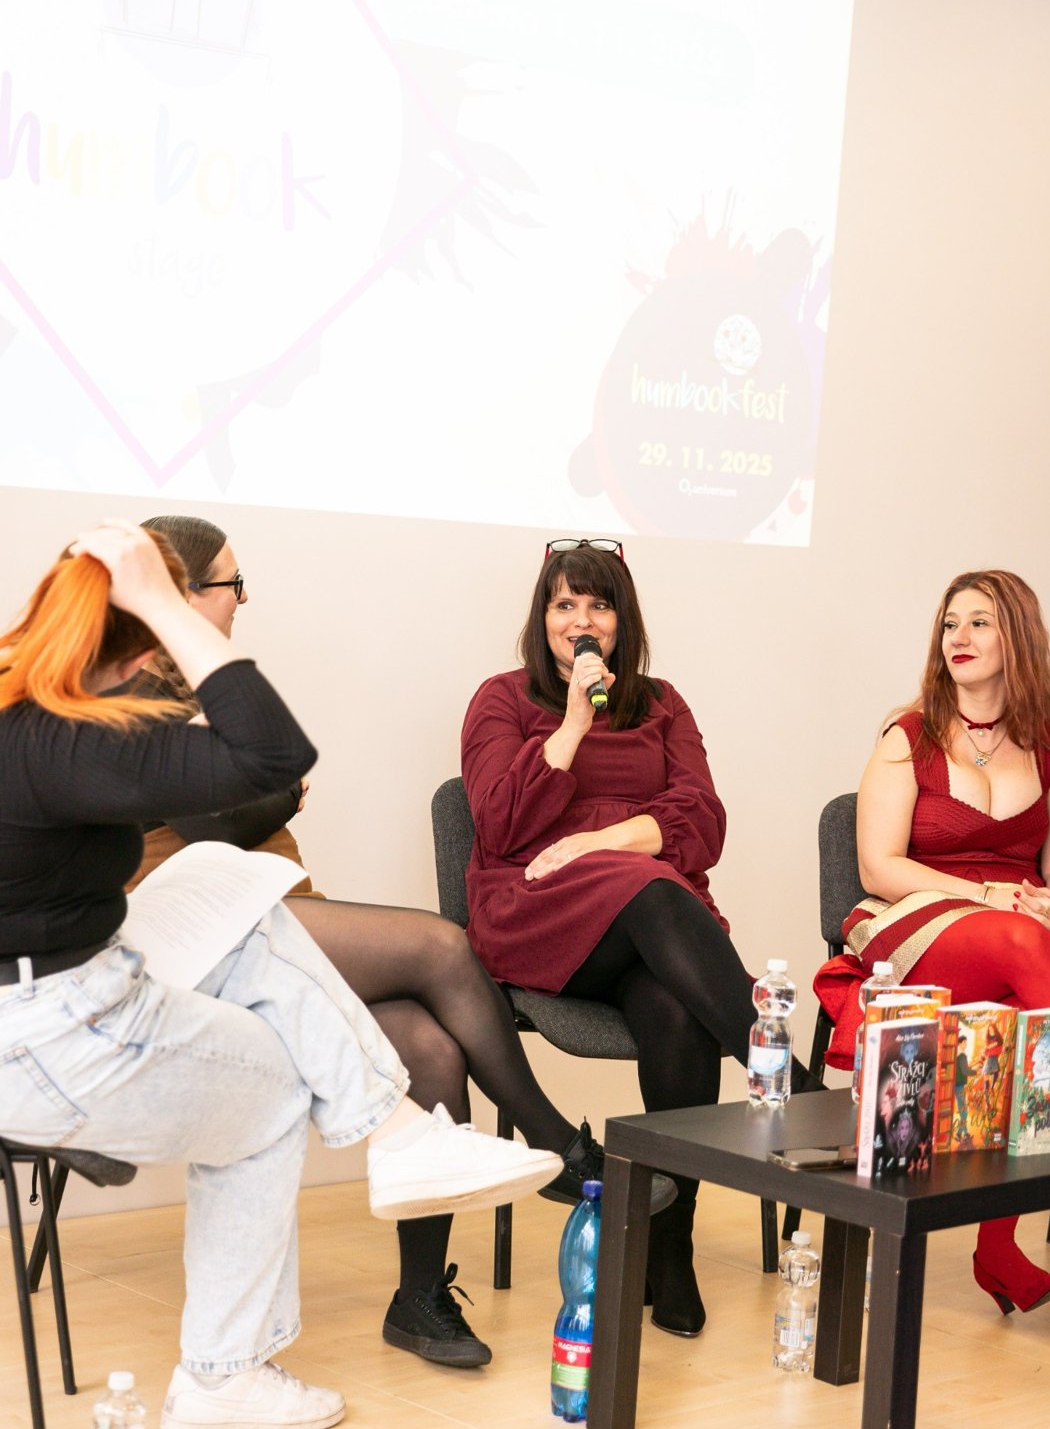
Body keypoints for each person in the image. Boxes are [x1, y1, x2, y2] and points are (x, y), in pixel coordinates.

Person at [0, 521, 564, 1429]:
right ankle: (225, 1376)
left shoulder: (34, 718)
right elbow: (273, 754)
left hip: (72, 994)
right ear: (141, 639)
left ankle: (396, 1136)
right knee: (271, 1093)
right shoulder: (67, 741)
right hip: (54, 1029)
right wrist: (167, 608)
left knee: (236, 902)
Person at [129, 513, 673, 1372]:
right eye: (233, 584)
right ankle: (554, 1144)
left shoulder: (196, 685)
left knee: (429, 1046)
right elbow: (212, 822)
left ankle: (419, 1298)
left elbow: (239, 795)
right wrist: (279, 793)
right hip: (202, 930)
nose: (243, 601)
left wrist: (270, 788)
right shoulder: (138, 689)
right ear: (186, 593)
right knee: (441, 948)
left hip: (269, 910)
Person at [459, 536, 787, 1339]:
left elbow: (702, 821)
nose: (581, 621)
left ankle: (668, 1247)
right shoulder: (501, 700)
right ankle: (788, 1080)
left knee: (675, 1006)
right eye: (564, 604)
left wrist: (601, 842)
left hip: (647, 930)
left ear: (622, 619)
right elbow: (499, 823)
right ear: (541, 619)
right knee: (653, 887)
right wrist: (573, 725)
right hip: (538, 914)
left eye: (598, 605)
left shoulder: (663, 705)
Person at [815, 568, 1050, 1316]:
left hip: (1020, 928)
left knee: (1028, 986)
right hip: (917, 916)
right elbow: (878, 865)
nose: (959, 636)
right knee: (1025, 948)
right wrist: (987, 897)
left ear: (1018, 636)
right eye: (951, 623)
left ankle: (997, 1247)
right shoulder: (909, 736)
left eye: (980, 621)